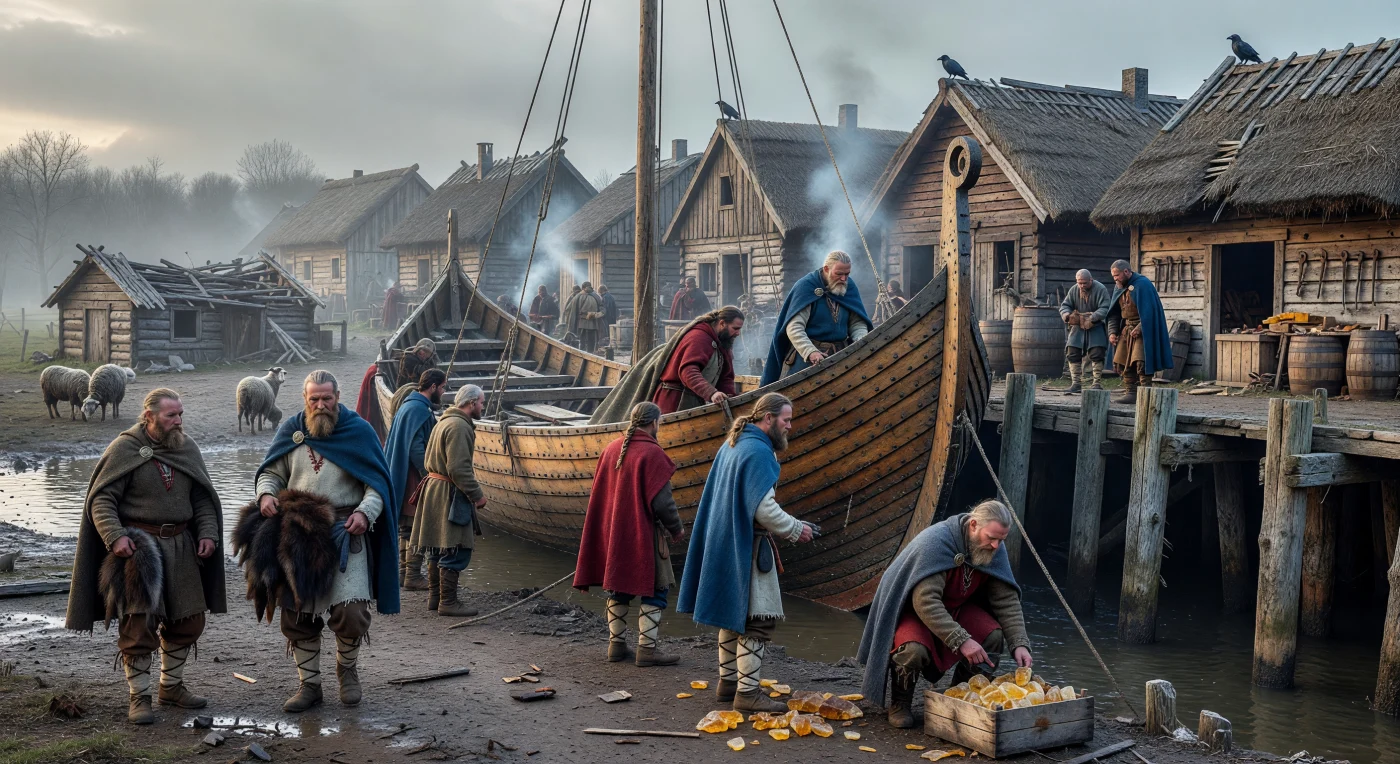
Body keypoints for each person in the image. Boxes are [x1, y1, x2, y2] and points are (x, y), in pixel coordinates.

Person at [65, 388, 225, 724]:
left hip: (181, 545)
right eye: (171, 416)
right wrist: (114, 536)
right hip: (139, 548)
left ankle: (171, 687)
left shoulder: (187, 448)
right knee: (139, 624)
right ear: (149, 415)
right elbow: (102, 500)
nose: (178, 421)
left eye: (180, 414)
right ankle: (139, 697)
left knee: (189, 620)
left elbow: (202, 500)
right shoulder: (124, 448)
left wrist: (208, 534)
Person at [254, 371, 398, 712]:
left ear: (338, 396)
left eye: (326, 398)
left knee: (350, 612)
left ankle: (347, 671)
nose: (320, 405)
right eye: (314, 399)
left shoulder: (358, 431)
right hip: (298, 535)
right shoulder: (291, 430)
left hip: (346, 533)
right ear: (305, 398)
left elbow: (377, 484)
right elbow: (270, 473)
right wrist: (265, 495)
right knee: (296, 612)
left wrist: (365, 513)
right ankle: (310, 686)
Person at [677, 393, 817, 712]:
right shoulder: (758, 451)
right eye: (786, 419)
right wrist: (796, 529)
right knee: (758, 621)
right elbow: (764, 509)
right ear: (767, 419)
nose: (789, 426)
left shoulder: (734, 444)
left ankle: (728, 684)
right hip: (748, 547)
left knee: (732, 615)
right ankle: (748, 693)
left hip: (726, 540)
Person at [857, 500, 1031, 729]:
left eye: (1001, 540)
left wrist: (1019, 644)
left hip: (956, 607)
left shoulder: (993, 547)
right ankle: (900, 703)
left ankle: (959, 697)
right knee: (913, 650)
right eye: (992, 538)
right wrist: (962, 640)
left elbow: (1006, 600)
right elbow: (925, 601)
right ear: (973, 525)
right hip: (916, 611)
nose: (996, 545)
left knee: (993, 636)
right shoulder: (936, 542)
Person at [574, 402, 686, 666]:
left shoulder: (612, 447)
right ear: (654, 423)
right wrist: (676, 529)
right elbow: (663, 503)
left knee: (619, 587)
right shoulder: (652, 453)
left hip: (614, 533)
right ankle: (646, 650)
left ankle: (616, 646)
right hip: (643, 533)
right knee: (657, 588)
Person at [409, 385, 488, 617]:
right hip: (449, 492)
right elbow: (459, 468)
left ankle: (435, 598)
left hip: (434, 488)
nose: (483, 407)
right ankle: (449, 603)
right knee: (457, 547)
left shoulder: (443, 421)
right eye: (482, 402)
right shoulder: (459, 426)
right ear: (472, 403)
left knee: (437, 547)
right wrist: (477, 495)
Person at [588, 307, 743, 424]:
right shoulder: (699, 338)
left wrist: (731, 399)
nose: (738, 333)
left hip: (696, 400)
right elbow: (688, 371)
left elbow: (726, 377)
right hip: (673, 401)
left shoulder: (724, 343)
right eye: (735, 328)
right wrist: (711, 393)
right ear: (722, 323)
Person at [761, 251, 873, 385]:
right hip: (807, 359)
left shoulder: (848, 286)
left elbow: (857, 322)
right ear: (826, 269)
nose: (844, 279)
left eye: (847, 274)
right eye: (839, 274)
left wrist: (860, 339)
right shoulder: (806, 287)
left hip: (841, 355)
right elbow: (794, 327)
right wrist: (810, 351)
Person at [385, 369, 446, 593]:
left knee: (406, 528)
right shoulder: (419, 409)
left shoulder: (408, 406)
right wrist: (428, 473)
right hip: (413, 477)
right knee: (415, 527)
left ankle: (403, 573)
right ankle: (412, 575)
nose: (443, 392)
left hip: (403, 473)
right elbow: (416, 447)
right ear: (432, 387)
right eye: (442, 387)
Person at [1106, 259, 1172, 404]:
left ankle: (1146, 393)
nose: (1115, 278)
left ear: (1126, 272)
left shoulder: (1143, 285)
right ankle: (1131, 392)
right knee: (1123, 361)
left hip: (1144, 330)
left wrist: (1141, 327)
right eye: (1113, 276)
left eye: (1117, 275)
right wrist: (1112, 332)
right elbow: (1114, 313)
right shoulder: (1119, 287)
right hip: (1126, 329)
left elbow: (1151, 311)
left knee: (1141, 361)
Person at [1058, 269, 1112, 394]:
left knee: (1097, 352)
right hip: (1077, 326)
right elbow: (1065, 305)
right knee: (1072, 351)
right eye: (1079, 283)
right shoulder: (1074, 290)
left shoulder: (1101, 289)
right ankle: (1076, 383)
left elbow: (1105, 307)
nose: (1082, 286)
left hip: (1096, 325)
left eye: (1085, 283)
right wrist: (1067, 315)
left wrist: (1093, 318)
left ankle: (1096, 383)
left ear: (1091, 280)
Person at [566, 281, 606, 352]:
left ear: (583, 288)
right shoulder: (597, 296)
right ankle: (591, 353)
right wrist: (595, 314)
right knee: (592, 340)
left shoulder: (578, 296)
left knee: (582, 340)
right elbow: (603, 310)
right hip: (593, 322)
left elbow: (569, 309)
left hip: (581, 322)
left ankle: (582, 353)